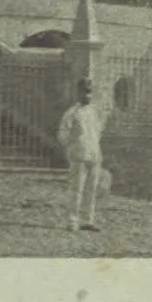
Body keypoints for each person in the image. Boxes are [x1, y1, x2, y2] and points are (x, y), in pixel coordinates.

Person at [56, 77, 104, 232]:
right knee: (76, 190)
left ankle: (87, 220)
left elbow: (98, 133)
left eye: (89, 92)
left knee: (92, 190)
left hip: (93, 155)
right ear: (78, 92)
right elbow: (62, 136)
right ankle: (72, 221)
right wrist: (73, 137)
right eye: (84, 92)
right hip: (79, 156)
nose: (87, 95)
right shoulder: (71, 113)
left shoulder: (94, 112)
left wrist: (97, 151)